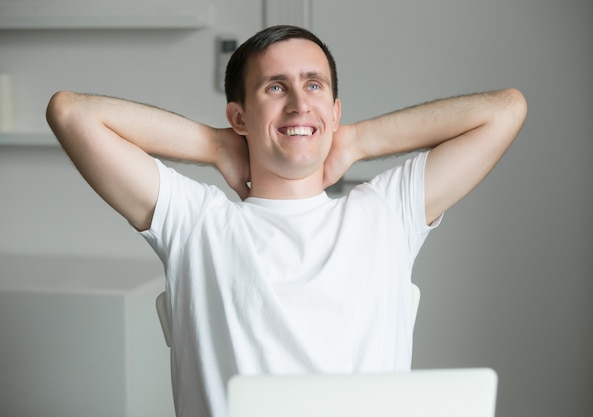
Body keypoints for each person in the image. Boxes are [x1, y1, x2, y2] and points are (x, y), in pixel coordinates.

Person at [46, 25, 526, 417]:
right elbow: (72, 114)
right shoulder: (198, 223)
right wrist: (215, 146)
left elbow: (505, 111)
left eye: (313, 85)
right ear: (240, 116)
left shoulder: (386, 212)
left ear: (335, 111)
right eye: (275, 87)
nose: (299, 103)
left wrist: (356, 139)